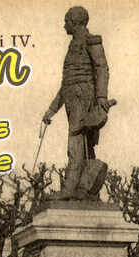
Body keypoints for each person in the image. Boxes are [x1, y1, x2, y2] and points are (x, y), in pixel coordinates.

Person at [42, 6, 112, 200]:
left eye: (66, 21)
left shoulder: (91, 41)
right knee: (85, 145)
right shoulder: (73, 46)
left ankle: (70, 188)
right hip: (74, 98)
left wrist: (101, 99)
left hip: (84, 97)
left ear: (75, 22)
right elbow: (66, 84)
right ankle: (85, 189)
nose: (64, 25)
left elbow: (102, 69)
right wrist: (51, 110)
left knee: (75, 140)